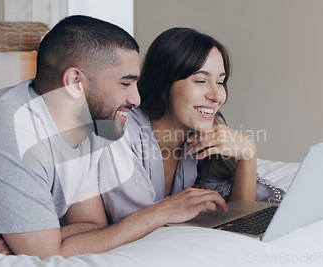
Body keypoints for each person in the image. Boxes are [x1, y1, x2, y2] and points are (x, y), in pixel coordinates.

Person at [0, 16, 227, 259]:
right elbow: (48, 254)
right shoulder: (11, 138)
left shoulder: (89, 122)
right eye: (125, 83)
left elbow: (91, 223)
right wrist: (157, 213)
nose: (137, 99)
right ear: (75, 82)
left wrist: (35, 237)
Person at [100, 27, 269, 224]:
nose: (216, 97)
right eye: (200, 80)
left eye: (221, 82)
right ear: (162, 86)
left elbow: (240, 219)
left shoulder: (200, 135)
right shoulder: (121, 132)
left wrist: (249, 154)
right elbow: (132, 225)